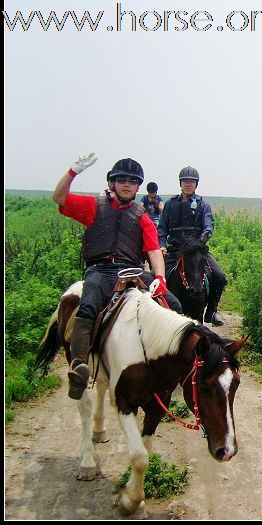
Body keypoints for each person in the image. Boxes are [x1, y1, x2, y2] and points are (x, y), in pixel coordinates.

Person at [52, 153, 183, 400]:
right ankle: (79, 366)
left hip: (132, 270)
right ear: (112, 182)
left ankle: (173, 365)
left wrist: (160, 278)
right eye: (121, 179)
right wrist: (72, 172)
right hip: (101, 270)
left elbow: (154, 251)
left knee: (173, 304)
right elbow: (58, 197)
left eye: (132, 181)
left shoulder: (142, 216)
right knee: (88, 305)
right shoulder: (94, 207)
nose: (126, 184)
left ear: (137, 187)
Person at [158, 166, 227, 326]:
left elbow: (209, 226)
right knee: (156, 276)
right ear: (180, 183)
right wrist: (161, 245)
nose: (188, 184)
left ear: (196, 184)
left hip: (196, 251)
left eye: (191, 181)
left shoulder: (203, 205)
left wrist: (200, 242)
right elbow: (161, 228)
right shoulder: (170, 204)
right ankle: (156, 310)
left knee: (219, 276)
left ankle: (211, 311)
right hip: (175, 251)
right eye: (185, 181)